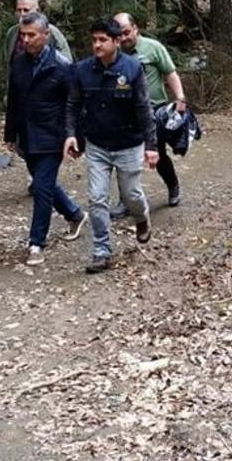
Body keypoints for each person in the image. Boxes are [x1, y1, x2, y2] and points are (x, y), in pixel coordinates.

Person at [64, 18, 158, 274]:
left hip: (129, 143)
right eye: (94, 40)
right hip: (97, 144)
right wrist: (70, 134)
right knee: (97, 198)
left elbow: (144, 108)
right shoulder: (82, 70)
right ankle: (102, 251)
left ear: (116, 42)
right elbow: (72, 105)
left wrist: (151, 146)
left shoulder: (133, 68)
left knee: (131, 195)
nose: (97, 45)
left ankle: (142, 218)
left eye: (103, 40)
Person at [5, 13, 87, 265]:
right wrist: (10, 134)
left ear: (46, 35)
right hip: (27, 136)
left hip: (52, 136)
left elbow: (74, 105)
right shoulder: (19, 63)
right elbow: (13, 101)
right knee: (45, 184)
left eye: (31, 35)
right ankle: (74, 213)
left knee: (41, 188)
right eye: (23, 35)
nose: (26, 40)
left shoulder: (62, 66)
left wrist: (75, 138)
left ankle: (36, 243)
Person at [115, 12, 188, 210]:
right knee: (123, 156)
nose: (123, 38)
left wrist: (180, 98)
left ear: (135, 29)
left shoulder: (153, 48)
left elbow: (170, 73)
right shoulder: (114, 53)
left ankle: (173, 186)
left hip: (154, 110)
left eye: (126, 32)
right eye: (119, 34)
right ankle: (125, 200)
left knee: (158, 152)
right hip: (124, 111)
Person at [3, 0, 72, 70]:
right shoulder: (12, 32)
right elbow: (9, 60)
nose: (22, 14)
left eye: (26, 10)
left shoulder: (51, 31)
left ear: (37, 11)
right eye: (19, 10)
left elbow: (66, 60)